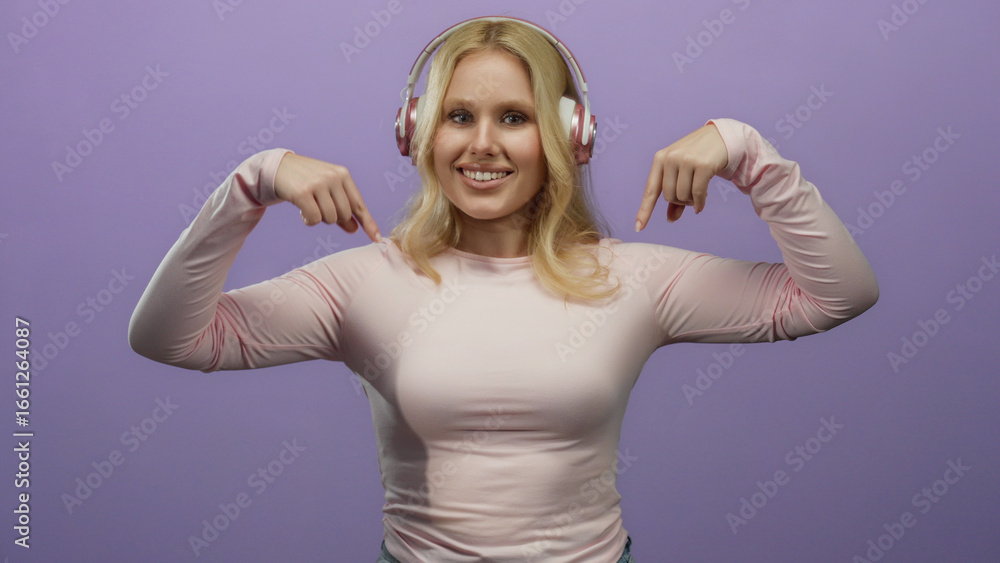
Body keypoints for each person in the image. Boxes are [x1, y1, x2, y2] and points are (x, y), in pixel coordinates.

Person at [128, 16, 878, 563]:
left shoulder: (631, 279)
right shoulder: (364, 282)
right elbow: (170, 337)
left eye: (513, 117)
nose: (482, 143)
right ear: (418, 131)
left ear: (567, 136)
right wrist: (249, 185)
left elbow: (835, 293)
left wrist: (747, 150)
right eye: (459, 116)